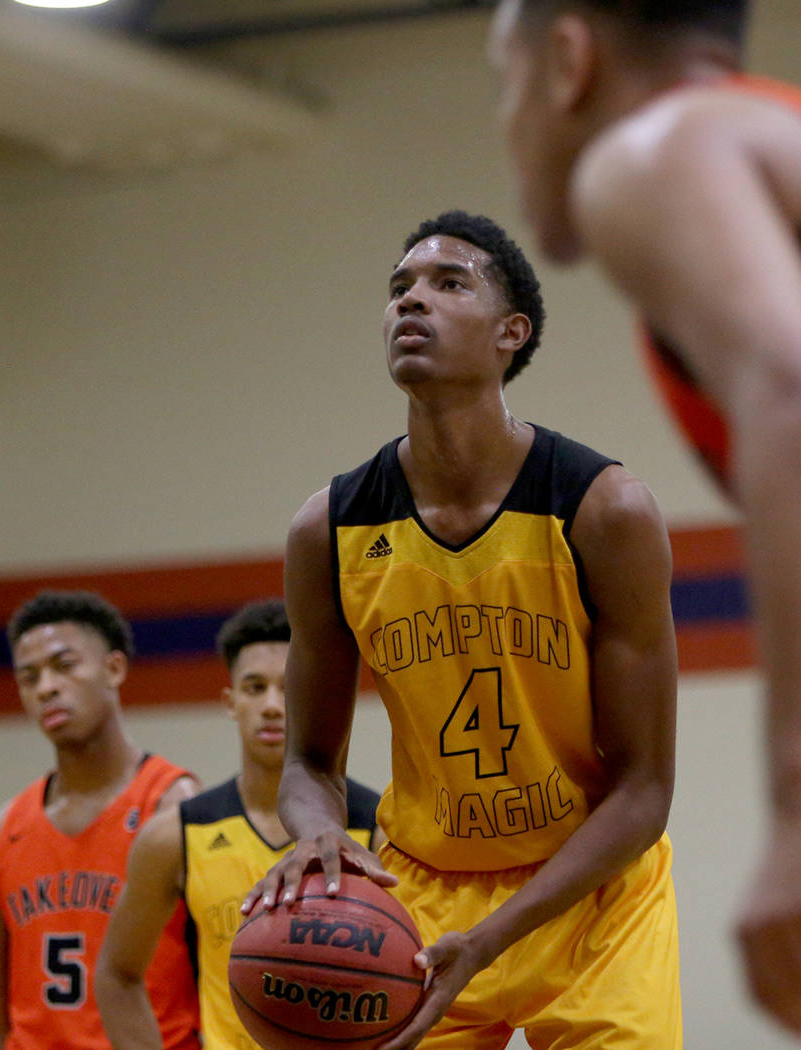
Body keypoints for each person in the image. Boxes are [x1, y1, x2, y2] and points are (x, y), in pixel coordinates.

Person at [244, 211, 681, 1049]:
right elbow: (306, 763)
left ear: (509, 333)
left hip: (591, 896)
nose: (412, 301)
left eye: (449, 284)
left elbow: (643, 792)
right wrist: (320, 836)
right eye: (399, 288)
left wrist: (490, 942)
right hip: (418, 899)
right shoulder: (327, 528)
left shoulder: (602, 508)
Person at [488, 0, 801, 1035]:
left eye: (506, 86)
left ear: (569, 58)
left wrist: (799, 812)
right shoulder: (764, 134)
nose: (507, 127)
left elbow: (790, 382)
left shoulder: (654, 150)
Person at [95, 598, 383, 1050]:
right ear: (230, 702)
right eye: (254, 687)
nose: (271, 705)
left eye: (288, 687)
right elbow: (116, 973)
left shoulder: (375, 827)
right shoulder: (176, 834)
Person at [0, 589, 200, 1050]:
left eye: (64, 666)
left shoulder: (173, 806)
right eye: (28, 677)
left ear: (114, 668)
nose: (46, 687)